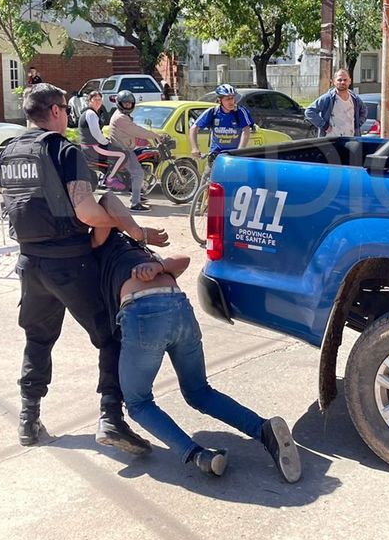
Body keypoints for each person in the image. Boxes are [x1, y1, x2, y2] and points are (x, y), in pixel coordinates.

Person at [0, 83, 167, 451]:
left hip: (29, 264)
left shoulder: (9, 150)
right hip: (72, 262)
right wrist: (126, 223)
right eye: (65, 108)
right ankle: (111, 418)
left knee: (37, 339)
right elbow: (85, 210)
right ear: (54, 111)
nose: (68, 114)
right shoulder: (65, 151)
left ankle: (28, 419)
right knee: (110, 336)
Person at [90, 199, 301, 483]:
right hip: (178, 309)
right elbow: (109, 204)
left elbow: (181, 259)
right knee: (199, 392)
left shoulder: (130, 242)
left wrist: (158, 264)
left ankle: (197, 455)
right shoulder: (100, 243)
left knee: (138, 402)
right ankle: (263, 429)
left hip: (144, 313)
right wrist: (143, 244)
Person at [108, 89, 164, 212]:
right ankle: (135, 204)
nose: (128, 105)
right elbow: (137, 131)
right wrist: (156, 135)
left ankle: (137, 194)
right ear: (119, 103)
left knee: (141, 161)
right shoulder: (121, 117)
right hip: (124, 150)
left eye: (129, 103)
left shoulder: (122, 115)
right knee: (138, 173)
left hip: (125, 147)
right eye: (125, 103)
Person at [188, 84, 254, 161]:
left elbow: (246, 130)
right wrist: (194, 148)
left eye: (232, 98)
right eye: (227, 99)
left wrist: (240, 151)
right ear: (220, 101)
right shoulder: (212, 112)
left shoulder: (240, 112)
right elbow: (193, 128)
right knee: (208, 173)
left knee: (238, 173)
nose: (231, 101)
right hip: (216, 155)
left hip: (234, 155)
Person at [78, 90, 129, 190]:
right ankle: (110, 179)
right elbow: (96, 134)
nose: (97, 101)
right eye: (95, 99)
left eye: (99, 99)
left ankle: (104, 175)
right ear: (89, 101)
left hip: (88, 146)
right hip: (93, 147)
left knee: (116, 151)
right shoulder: (91, 114)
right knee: (123, 154)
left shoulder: (88, 112)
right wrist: (107, 142)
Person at [304, 69, 367, 138]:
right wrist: (324, 126)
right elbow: (309, 111)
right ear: (334, 81)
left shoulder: (355, 99)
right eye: (339, 80)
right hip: (332, 140)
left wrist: (357, 124)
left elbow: (364, 111)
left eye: (345, 80)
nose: (342, 82)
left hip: (351, 140)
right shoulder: (328, 98)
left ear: (350, 81)